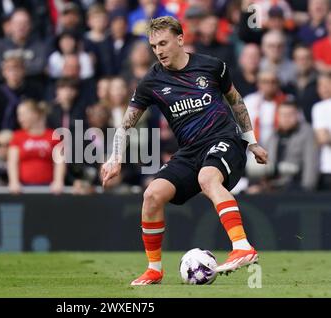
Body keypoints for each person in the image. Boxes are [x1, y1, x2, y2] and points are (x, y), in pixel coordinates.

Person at [101, 16, 268, 285]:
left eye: (164, 43)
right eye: (154, 46)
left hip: (224, 140)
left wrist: (252, 141)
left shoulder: (212, 66)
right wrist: (115, 158)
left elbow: (236, 102)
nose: (159, 51)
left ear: (180, 39)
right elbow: (126, 124)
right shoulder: (151, 82)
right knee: (152, 195)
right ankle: (154, 268)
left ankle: (243, 247)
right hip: (190, 151)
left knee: (207, 178)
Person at [8, 99, 65, 194]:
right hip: (23, 188)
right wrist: (14, 182)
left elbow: (60, 162)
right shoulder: (17, 136)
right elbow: (12, 162)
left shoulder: (53, 136)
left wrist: (58, 181)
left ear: (35, 115)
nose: (20, 119)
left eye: (23, 114)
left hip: (49, 188)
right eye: (19, 115)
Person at [312, 72, 331, 190]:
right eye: (320, 85)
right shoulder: (320, 107)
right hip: (327, 168)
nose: (323, 89)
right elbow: (322, 138)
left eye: (327, 84)